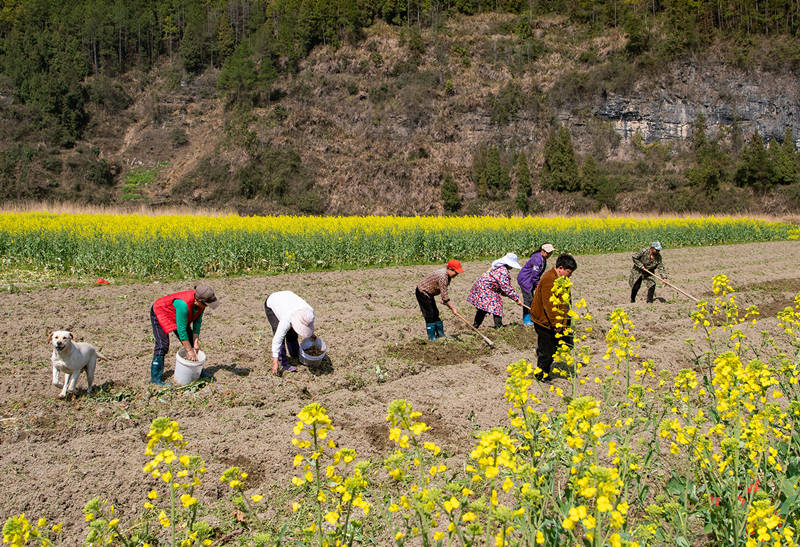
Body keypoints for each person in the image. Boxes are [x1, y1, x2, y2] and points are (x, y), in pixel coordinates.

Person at [150, 284, 220, 385]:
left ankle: (197, 371)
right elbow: (181, 330)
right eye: (206, 304)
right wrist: (189, 350)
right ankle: (155, 379)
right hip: (161, 312)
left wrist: (195, 342)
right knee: (162, 345)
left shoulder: (201, 305)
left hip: (177, 315)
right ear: (199, 301)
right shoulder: (183, 305)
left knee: (191, 342)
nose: (207, 307)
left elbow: (197, 322)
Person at [531, 253, 578, 382]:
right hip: (544, 322)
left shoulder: (562, 280)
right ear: (561, 268)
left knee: (556, 347)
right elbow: (550, 305)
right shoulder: (549, 279)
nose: (570, 275)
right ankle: (541, 375)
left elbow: (566, 302)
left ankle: (545, 367)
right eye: (569, 272)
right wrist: (557, 324)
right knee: (547, 351)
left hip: (556, 322)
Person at [265, 291, 315, 375]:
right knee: (280, 331)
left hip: (287, 298)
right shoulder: (286, 318)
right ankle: (283, 362)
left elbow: (308, 324)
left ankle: (295, 354)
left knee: (292, 332)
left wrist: (311, 334)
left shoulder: (309, 312)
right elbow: (277, 339)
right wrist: (275, 362)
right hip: (272, 302)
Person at [467, 252, 523, 329]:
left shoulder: (498, 267)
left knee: (483, 308)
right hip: (486, 289)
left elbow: (501, 286)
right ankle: (498, 326)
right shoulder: (503, 271)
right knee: (496, 305)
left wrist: (506, 294)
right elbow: (506, 288)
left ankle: (475, 326)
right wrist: (516, 298)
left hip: (482, 287)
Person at [416, 259, 464, 341]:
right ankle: (431, 338)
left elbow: (443, 291)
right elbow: (445, 296)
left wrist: (445, 301)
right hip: (422, 293)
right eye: (456, 272)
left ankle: (440, 335)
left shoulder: (447, 275)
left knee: (435, 313)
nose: (457, 274)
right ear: (450, 269)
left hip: (430, 293)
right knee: (429, 314)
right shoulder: (443, 276)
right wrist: (452, 308)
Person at [518, 243, 556, 325]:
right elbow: (535, 275)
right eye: (548, 253)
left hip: (530, 280)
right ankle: (527, 320)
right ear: (543, 251)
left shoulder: (542, 258)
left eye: (551, 253)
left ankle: (532, 317)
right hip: (525, 280)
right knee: (529, 300)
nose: (549, 255)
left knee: (532, 299)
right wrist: (539, 286)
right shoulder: (537, 259)